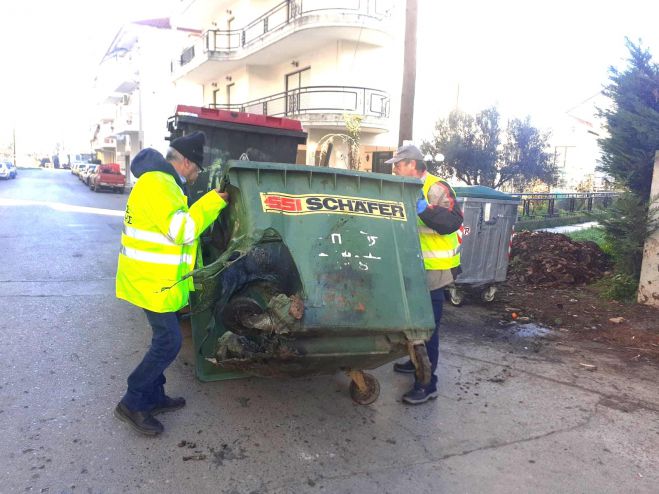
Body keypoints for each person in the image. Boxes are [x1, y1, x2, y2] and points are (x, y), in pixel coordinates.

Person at [114, 131, 229, 435]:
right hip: (150, 282)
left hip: (153, 281)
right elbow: (184, 231)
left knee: (164, 340)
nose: (197, 175)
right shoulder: (159, 185)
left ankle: (154, 397)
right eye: (197, 168)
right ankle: (133, 400)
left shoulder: (159, 182)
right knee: (168, 342)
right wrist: (213, 202)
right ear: (187, 162)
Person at [389, 144, 463, 404]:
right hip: (410, 267)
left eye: (398, 164)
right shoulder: (402, 188)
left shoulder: (436, 188)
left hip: (434, 271)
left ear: (412, 163)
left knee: (428, 326)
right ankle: (415, 361)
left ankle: (427, 384)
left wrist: (425, 209)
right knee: (411, 321)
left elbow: (453, 221)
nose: (395, 169)